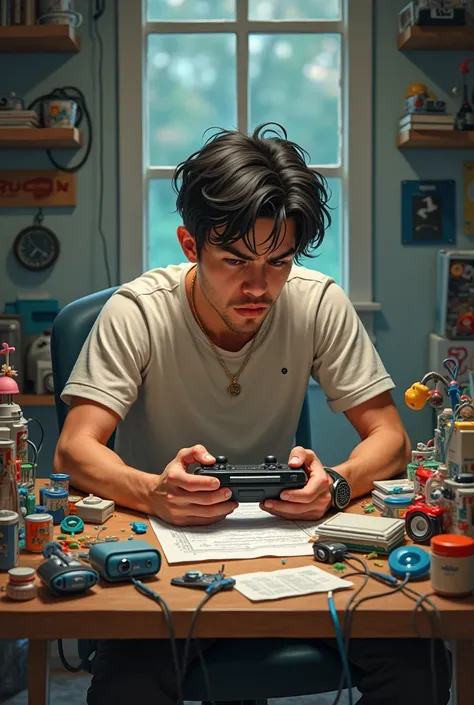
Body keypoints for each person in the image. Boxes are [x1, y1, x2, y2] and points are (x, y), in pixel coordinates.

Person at [55, 123, 451, 705]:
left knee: (421, 664)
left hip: (291, 543)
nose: (259, 287)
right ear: (190, 246)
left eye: (280, 261)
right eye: (235, 260)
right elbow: (74, 448)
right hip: (166, 550)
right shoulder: (136, 311)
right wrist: (155, 492)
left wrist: (336, 485)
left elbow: (389, 437)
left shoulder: (317, 301)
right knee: (127, 689)